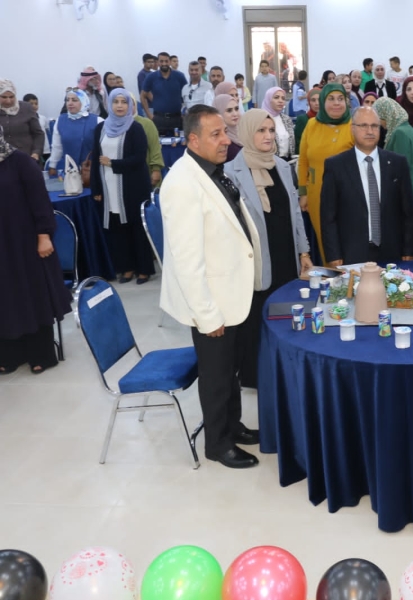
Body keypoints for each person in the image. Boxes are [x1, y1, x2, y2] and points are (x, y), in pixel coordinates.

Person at [160, 104, 262, 469]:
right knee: (217, 375)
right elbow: (187, 260)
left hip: (231, 291)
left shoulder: (212, 170)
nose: (225, 140)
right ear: (193, 140)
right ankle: (217, 444)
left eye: (224, 132)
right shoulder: (181, 184)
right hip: (211, 300)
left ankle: (233, 426)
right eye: (215, 134)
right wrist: (206, 315)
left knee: (230, 369)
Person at [224, 108, 312, 388]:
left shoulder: (282, 166)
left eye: (271, 130)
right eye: (261, 130)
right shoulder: (231, 172)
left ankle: (287, 370)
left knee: (285, 312)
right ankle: (255, 374)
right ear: (247, 133)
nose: (268, 136)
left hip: (285, 253)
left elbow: (295, 213)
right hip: (255, 259)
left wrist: (304, 251)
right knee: (256, 318)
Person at [0, 128, 72, 375]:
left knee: (31, 295)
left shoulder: (20, 162)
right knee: (4, 298)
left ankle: (40, 353)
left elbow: (40, 202)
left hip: (26, 244)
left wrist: (44, 235)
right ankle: (10, 354)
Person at [320, 106, 413, 266]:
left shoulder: (397, 163)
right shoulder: (336, 166)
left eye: (374, 126)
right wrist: (333, 255)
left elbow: (408, 213)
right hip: (351, 253)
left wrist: (409, 250)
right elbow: (328, 217)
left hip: (392, 252)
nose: (370, 131)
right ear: (352, 129)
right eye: (363, 126)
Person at [90, 89, 154, 284]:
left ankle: (144, 269)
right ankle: (126, 268)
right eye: (115, 102)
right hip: (109, 186)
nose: (119, 106)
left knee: (137, 227)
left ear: (130, 105)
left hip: (132, 186)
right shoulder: (100, 129)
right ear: (109, 104)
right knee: (117, 228)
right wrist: (96, 188)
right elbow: (95, 159)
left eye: (123, 102)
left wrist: (113, 163)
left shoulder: (135, 128)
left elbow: (139, 158)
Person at [297, 83, 354, 259]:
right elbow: (303, 161)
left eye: (340, 99)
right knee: (325, 242)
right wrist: (303, 192)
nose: (336, 103)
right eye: (331, 99)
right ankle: (331, 275)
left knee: (347, 242)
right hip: (317, 194)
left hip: (347, 195)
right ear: (323, 102)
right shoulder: (311, 125)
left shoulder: (353, 126)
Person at [373, 97, 413, 216]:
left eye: (379, 118)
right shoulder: (407, 128)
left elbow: (398, 170)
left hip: (407, 191)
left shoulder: (400, 133)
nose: (380, 124)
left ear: (386, 115)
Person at [46, 89, 101, 177]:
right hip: (69, 170)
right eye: (68, 100)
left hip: (90, 170)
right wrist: (52, 165)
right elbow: (57, 147)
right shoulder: (61, 120)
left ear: (83, 101)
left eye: (74, 100)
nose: (70, 103)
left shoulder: (97, 120)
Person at [141, 52, 188, 136]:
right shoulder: (151, 77)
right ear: (158, 62)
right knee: (159, 143)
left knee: (178, 143)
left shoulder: (179, 76)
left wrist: (184, 113)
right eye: (161, 61)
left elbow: (186, 94)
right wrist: (149, 115)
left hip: (177, 119)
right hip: (158, 119)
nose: (164, 64)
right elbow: (143, 95)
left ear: (169, 62)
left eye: (166, 61)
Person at [0, 80, 45, 161]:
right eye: (4, 97)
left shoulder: (26, 108)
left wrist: (36, 152)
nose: (8, 101)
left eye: (11, 97)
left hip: (27, 158)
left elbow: (38, 134)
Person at [130, 92, 164, 188]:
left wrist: (156, 169)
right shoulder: (112, 127)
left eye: (131, 103)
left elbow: (155, 148)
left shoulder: (146, 124)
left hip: (146, 173)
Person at [261, 87, 294, 160]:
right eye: (276, 97)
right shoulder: (261, 119)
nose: (280, 101)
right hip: (269, 161)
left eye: (283, 98)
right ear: (268, 99)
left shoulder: (286, 119)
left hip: (287, 161)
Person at [213, 94, 242, 162]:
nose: (235, 114)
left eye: (236, 109)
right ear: (219, 113)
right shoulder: (219, 141)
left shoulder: (243, 131)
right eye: (229, 110)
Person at [22, 94, 51, 158]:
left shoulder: (43, 118)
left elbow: (47, 132)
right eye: (31, 104)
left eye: (36, 104)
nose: (34, 106)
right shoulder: (22, 120)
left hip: (45, 150)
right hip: (32, 151)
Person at [293, 87, 320, 151]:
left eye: (319, 99)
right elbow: (298, 144)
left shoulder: (328, 119)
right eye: (313, 100)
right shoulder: (303, 119)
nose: (317, 103)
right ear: (309, 102)